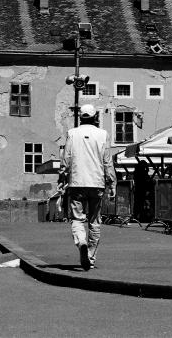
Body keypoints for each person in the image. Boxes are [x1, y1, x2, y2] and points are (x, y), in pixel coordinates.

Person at [59, 104, 116, 270]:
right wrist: (111, 182)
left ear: (80, 117)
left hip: (77, 182)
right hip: (97, 182)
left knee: (77, 218)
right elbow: (107, 160)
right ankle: (90, 256)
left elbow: (66, 157)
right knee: (95, 221)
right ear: (95, 117)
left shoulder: (72, 133)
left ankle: (81, 241)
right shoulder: (103, 134)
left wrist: (62, 177)